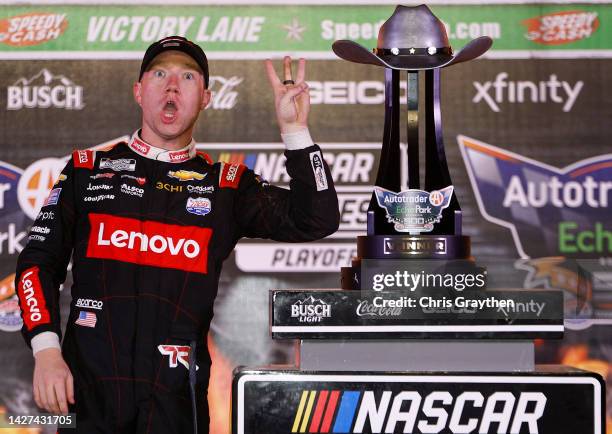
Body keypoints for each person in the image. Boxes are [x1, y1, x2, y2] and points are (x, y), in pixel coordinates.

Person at [15, 35, 339, 433]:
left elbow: (317, 218)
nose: (172, 86)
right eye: (159, 74)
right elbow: (36, 264)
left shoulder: (226, 186)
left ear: (205, 97)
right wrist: (46, 351)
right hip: (89, 398)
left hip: (175, 405)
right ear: (138, 91)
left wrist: (295, 131)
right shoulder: (85, 170)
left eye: (187, 77)